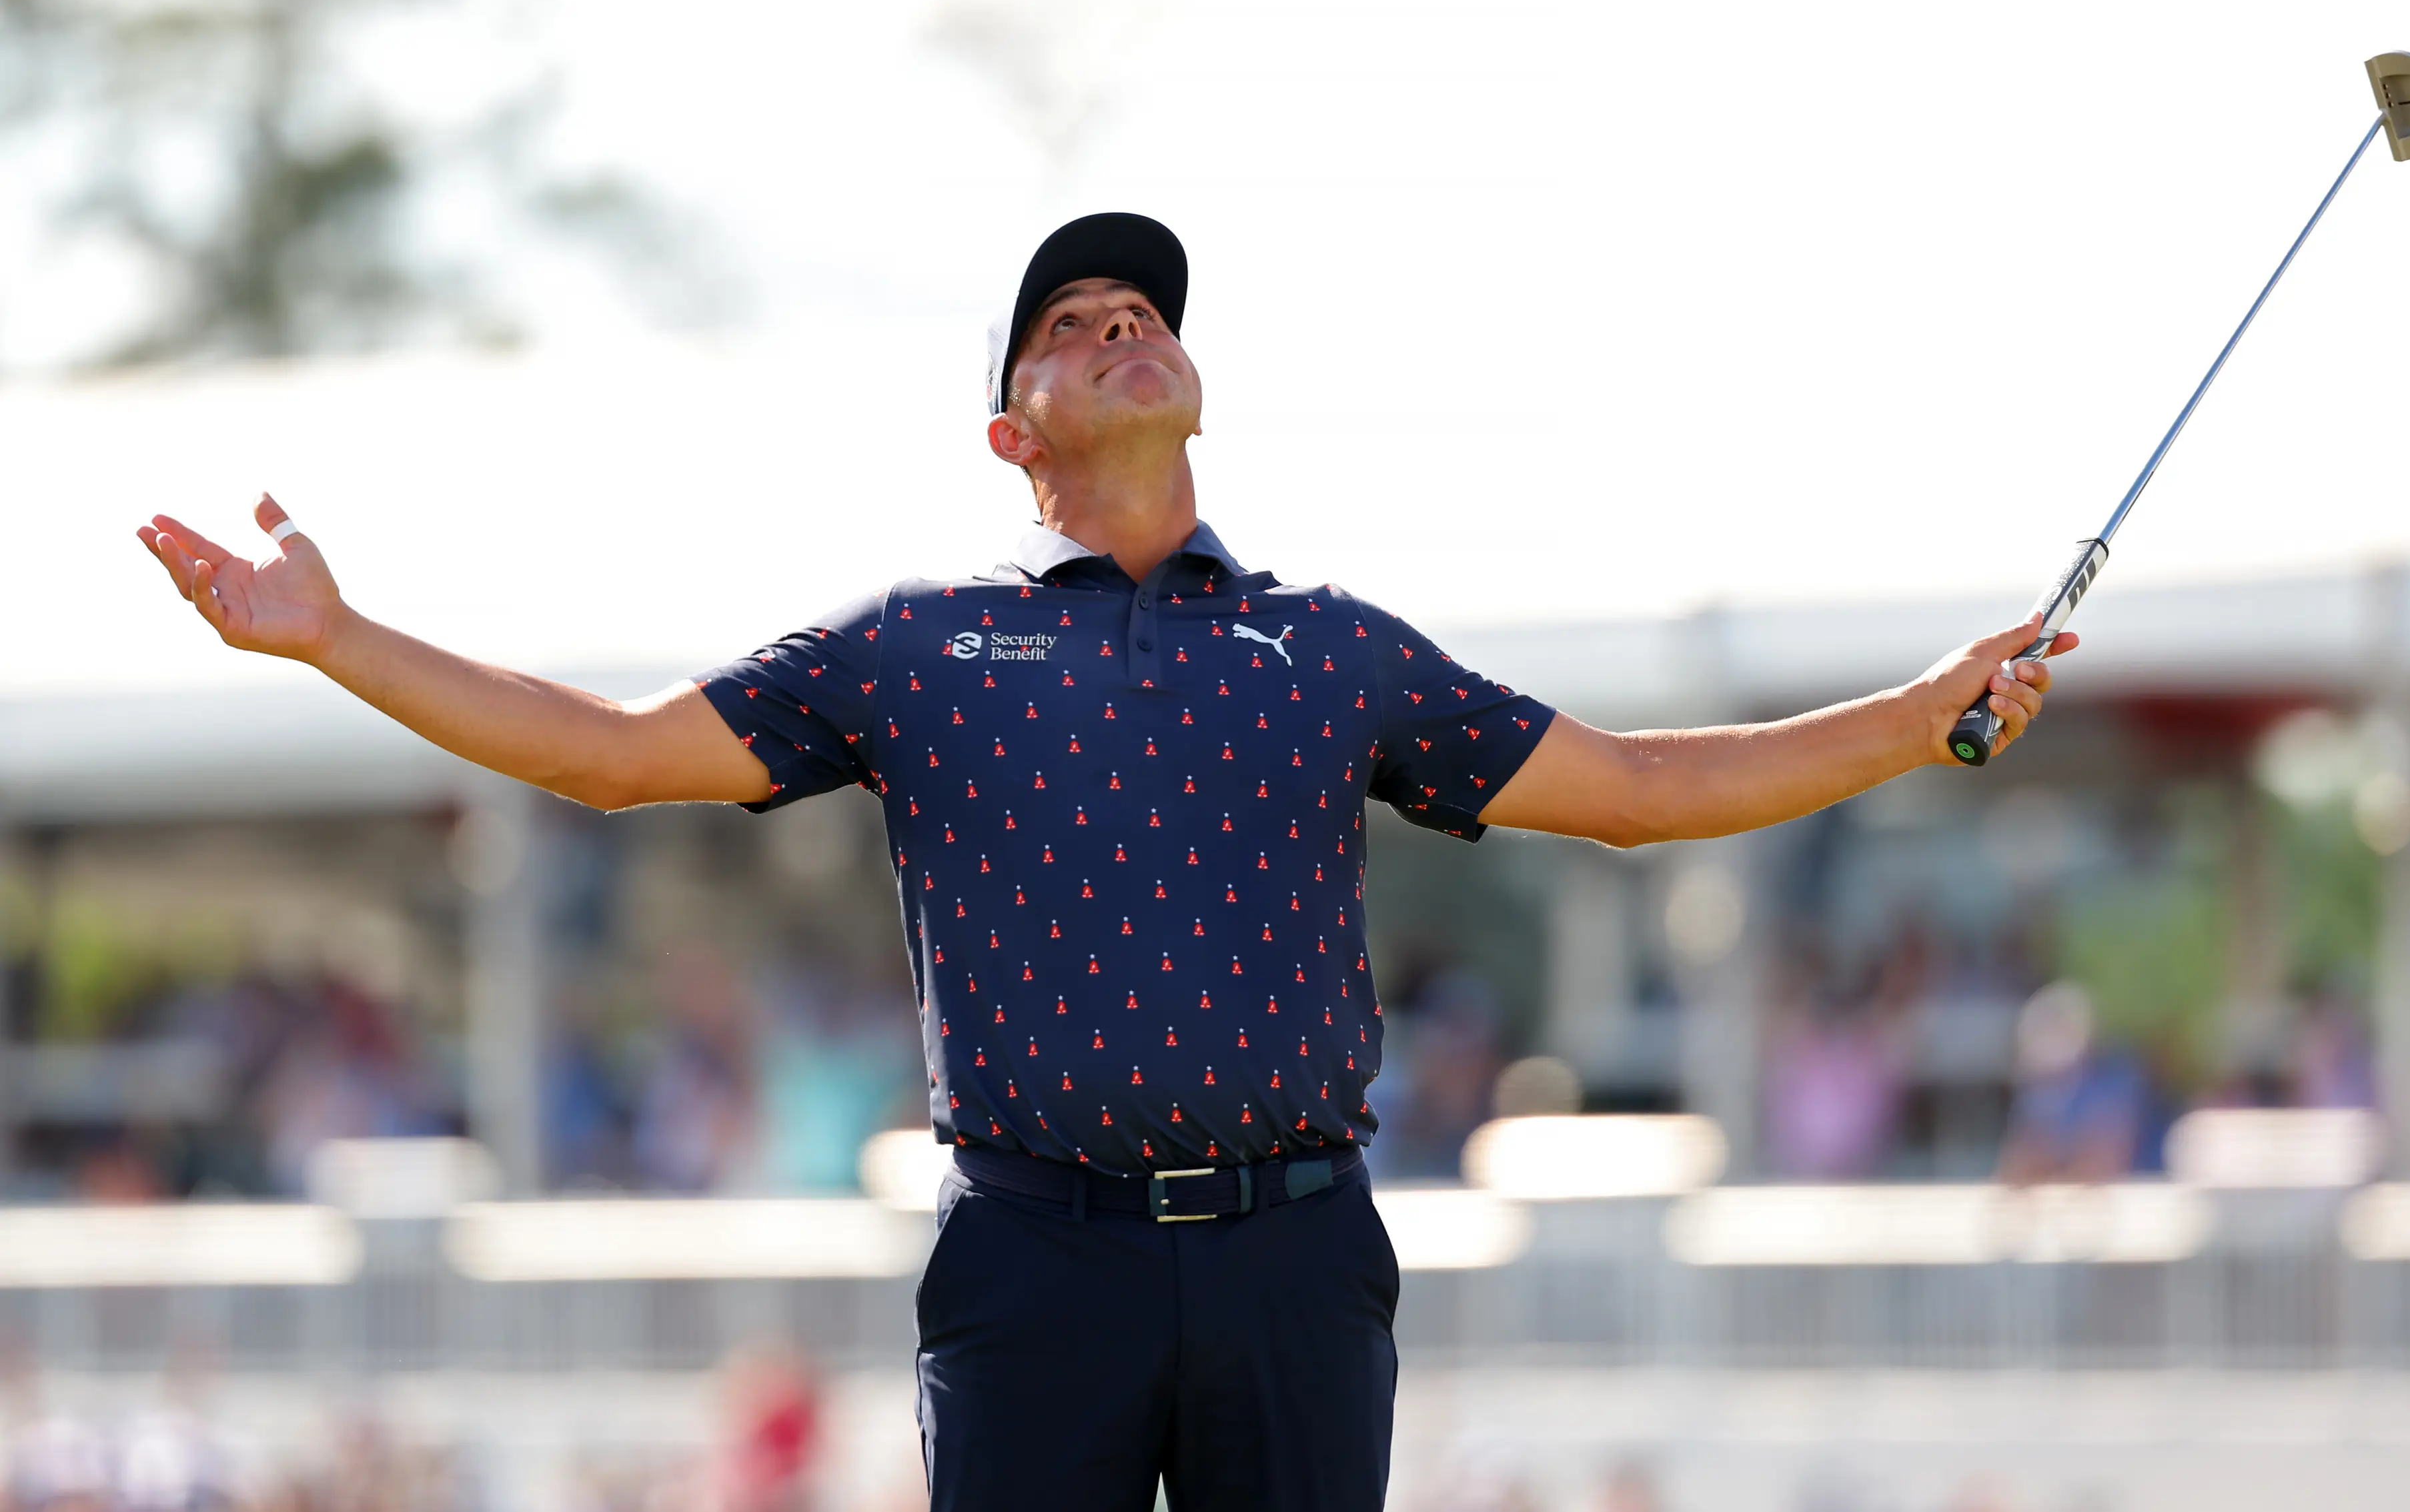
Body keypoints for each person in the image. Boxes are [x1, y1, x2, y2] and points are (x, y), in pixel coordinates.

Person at [136, 212, 2072, 1512]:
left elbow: (1640, 785)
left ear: (1191, 384)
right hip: (1036, 1257)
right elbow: (622, 756)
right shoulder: (911, 647)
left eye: (1141, 314)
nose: (1119, 329)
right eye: (1070, 329)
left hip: (1300, 1252)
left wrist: (1918, 714)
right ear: (1017, 429)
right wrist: (339, 636)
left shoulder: (1333, 646)